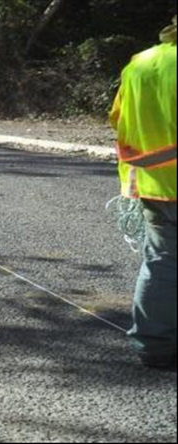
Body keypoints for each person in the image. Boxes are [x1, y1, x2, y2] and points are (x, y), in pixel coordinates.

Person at [109, 16, 177, 371]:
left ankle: (155, 345)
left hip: (151, 183)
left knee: (163, 263)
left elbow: (118, 118)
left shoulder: (140, 62)